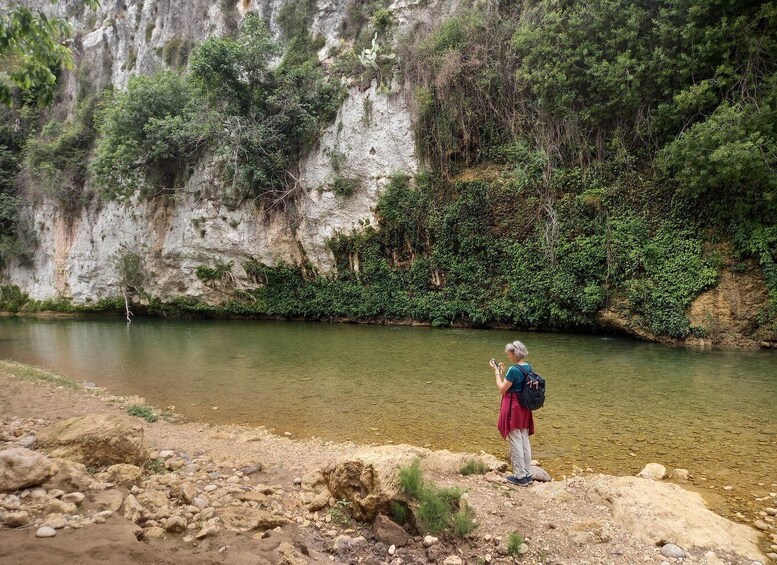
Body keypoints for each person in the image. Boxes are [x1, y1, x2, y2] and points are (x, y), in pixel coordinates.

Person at [490, 339, 535, 486]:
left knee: (515, 439)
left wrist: (497, 373)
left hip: (513, 406)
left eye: (509, 354)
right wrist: (504, 372)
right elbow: (513, 383)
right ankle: (527, 474)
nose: (508, 356)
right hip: (524, 406)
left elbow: (502, 389)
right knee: (523, 438)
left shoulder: (514, 370)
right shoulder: (528, 367)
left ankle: (520, 476)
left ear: (514, 354)